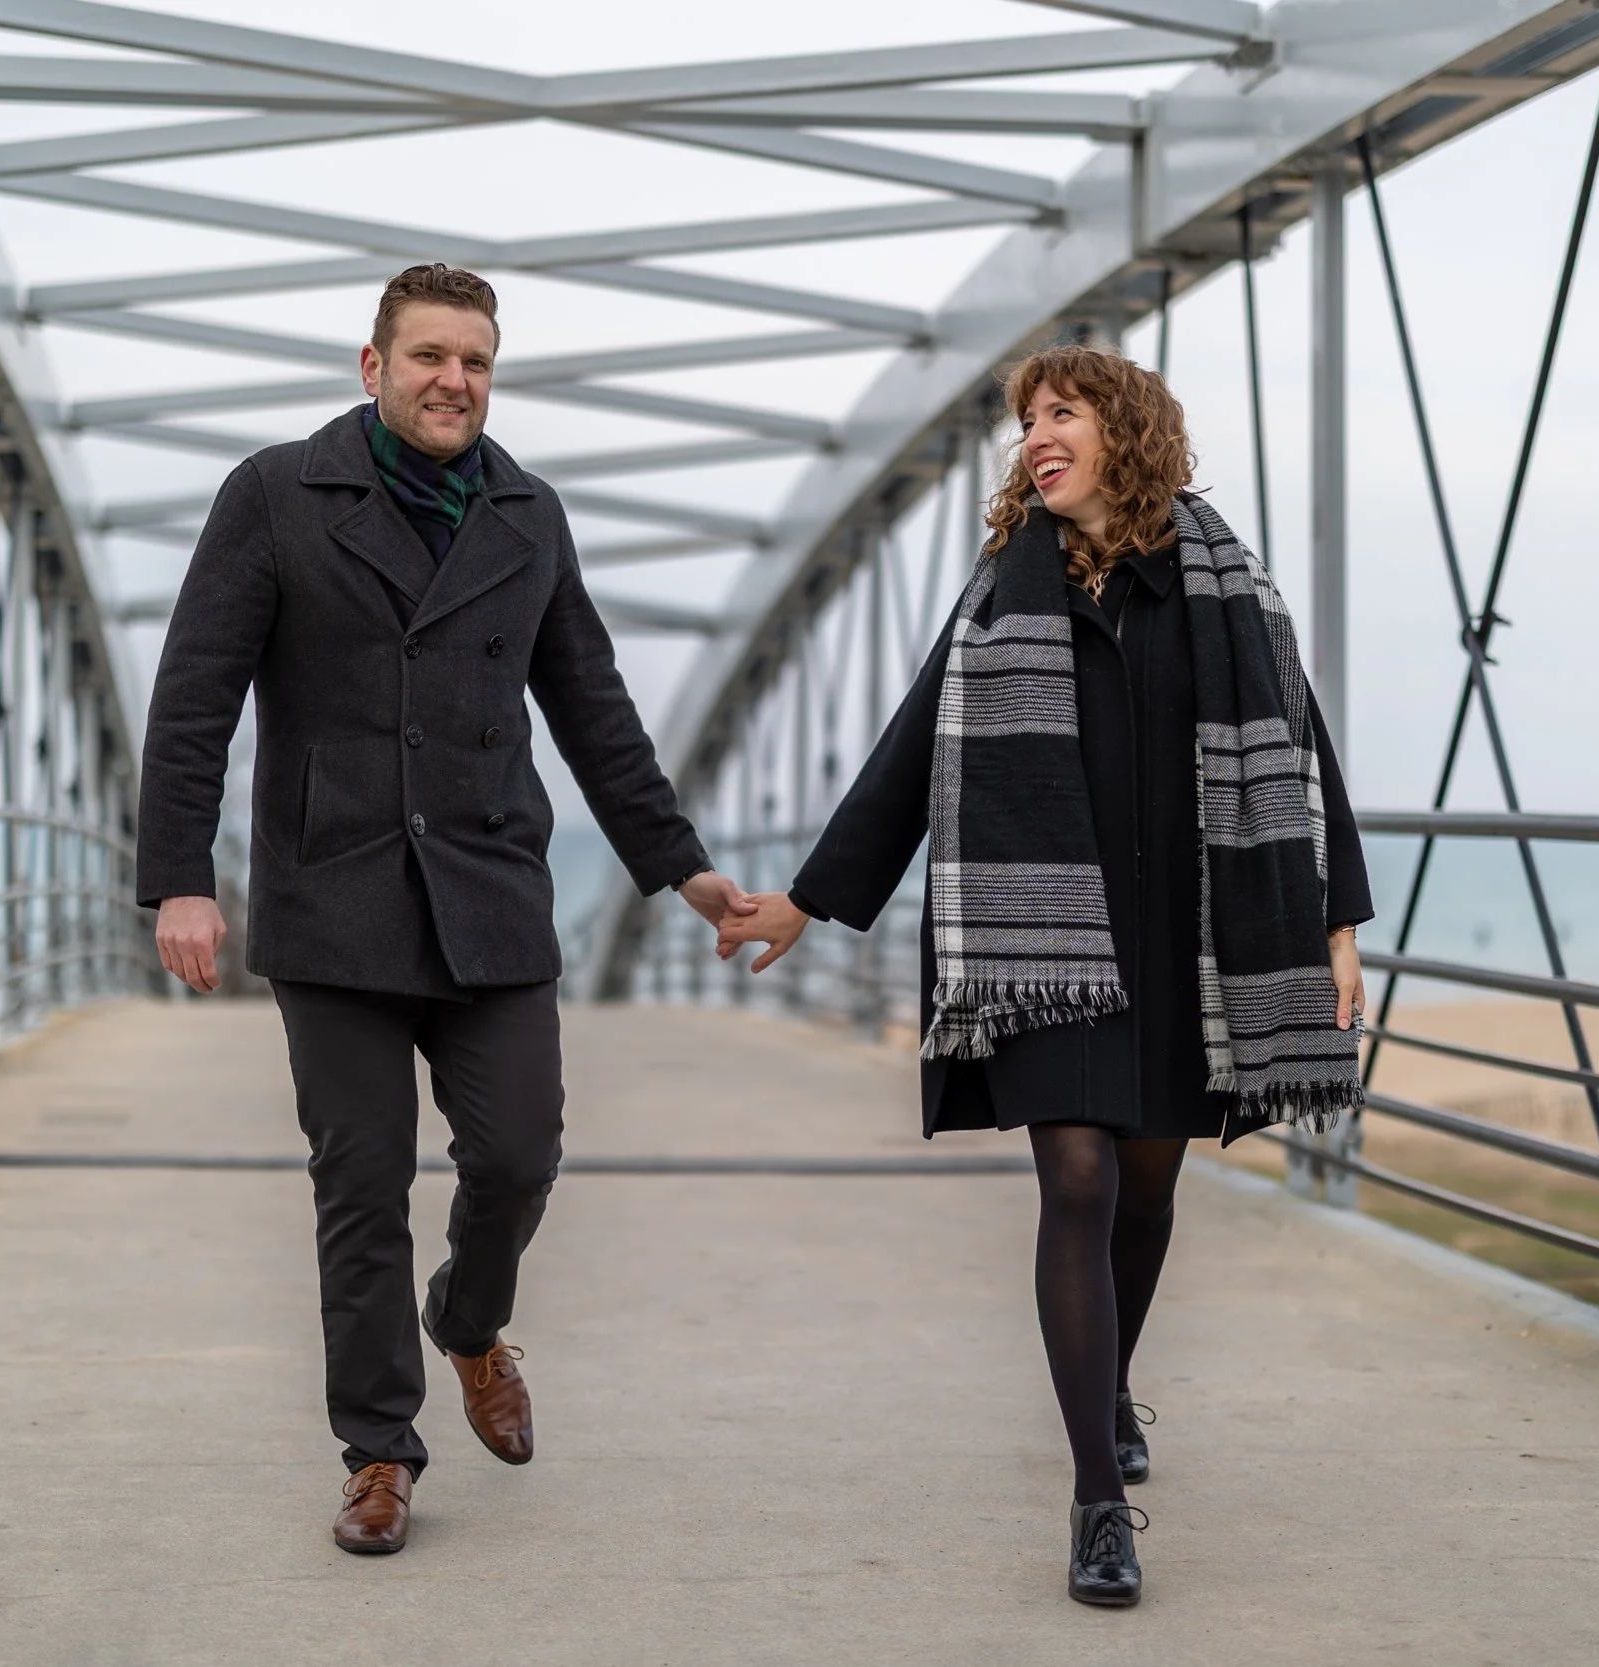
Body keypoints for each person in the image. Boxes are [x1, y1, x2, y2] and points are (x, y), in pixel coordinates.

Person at [719, 344, 1372, 1608]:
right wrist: (807, 898)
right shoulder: (1001, 591)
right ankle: (1095, 1500)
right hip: (1046, 943)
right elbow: (916, 741)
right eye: (1026, 421)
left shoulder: (1223, 587)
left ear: (1124, 429)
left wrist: (1335, 916)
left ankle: (1110, 1379)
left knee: (1143, 1187)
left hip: (1184, 934)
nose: (1036, 437)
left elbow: (1301, 747)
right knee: (1074, 1175)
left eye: (1061, 413)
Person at [137, 263, 752, 1557]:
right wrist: (180, 875)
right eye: (427, 356)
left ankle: (469, 1321)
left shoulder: (526, 512)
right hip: (333, 896)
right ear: (375, 367)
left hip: (487, 889)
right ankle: (378, 1449)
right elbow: (196, 694)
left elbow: (592, 706)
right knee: (360, 1182)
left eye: (474, 359)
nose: (452, 380)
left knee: (520, 1151)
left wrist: (682, 866)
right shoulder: (278, 495)